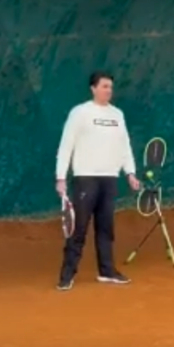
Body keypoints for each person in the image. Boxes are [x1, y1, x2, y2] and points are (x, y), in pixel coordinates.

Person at [55, 71, 141, 291]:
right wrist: (61, 177)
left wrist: (130, 173)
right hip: (86, 178)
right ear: (93, 88)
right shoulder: (80, 113)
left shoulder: (117, 115)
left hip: (110, 179)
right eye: (104, 86)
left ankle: (107, 271)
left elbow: (125, 146)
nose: (108, 91)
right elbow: (66, 146)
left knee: (106, 228)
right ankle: (67, 275)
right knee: (79, 229)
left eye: (110, 87)